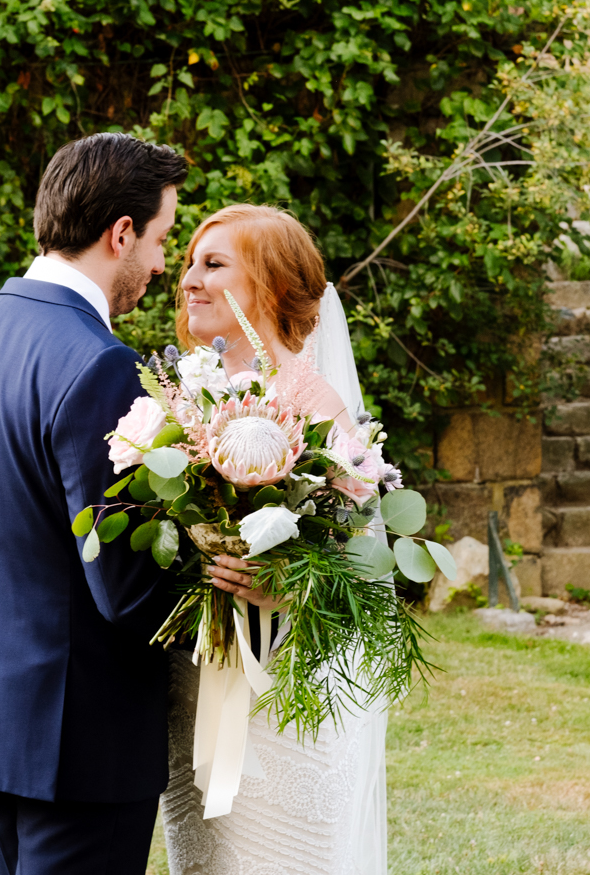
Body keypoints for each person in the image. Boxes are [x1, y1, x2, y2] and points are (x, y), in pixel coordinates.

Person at [0, 133, 189, 875]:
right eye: (161, 238)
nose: (161, 264)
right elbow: (123, 588)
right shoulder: (100, 364)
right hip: (80, 735)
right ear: (119, 233)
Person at [160, 203, 390, 875]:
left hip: (285, 693)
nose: (189, 281)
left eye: (213, 264)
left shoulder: (317, 407)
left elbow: (360, 572)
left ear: (265, 284)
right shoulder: (183, 402)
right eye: (189, 265)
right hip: (194, 686)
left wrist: (287, 583)